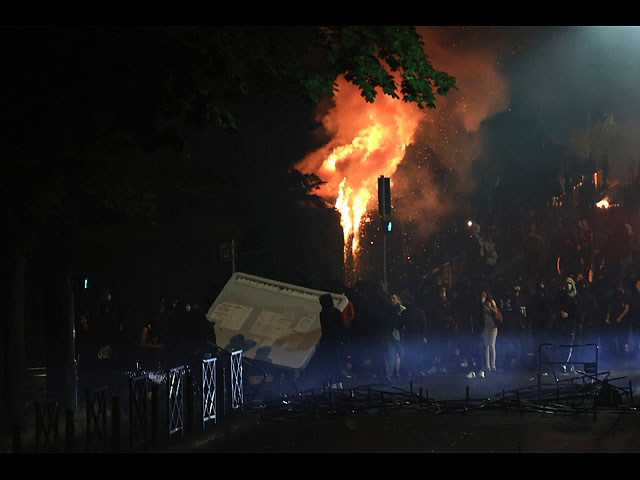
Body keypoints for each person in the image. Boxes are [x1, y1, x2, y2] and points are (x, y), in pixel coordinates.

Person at [399, 291, 428, 379]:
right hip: (417, 337)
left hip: (408, 337)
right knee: (417, 356)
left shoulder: (404, 313)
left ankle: (411, 372)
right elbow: (423, 326)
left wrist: (402, 336)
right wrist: (423, 337)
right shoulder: (420, 312)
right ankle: (418, 372)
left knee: (409, 355)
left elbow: (401, 326)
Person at [317, 293, 345, 383]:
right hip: (336, 339)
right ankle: (337, 378)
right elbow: (341, 326)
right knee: (336, 359)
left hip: (328, 340)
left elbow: (324, 328)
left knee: (329, 360)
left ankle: (330, 378)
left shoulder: (323, 313)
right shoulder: (336, 312)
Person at [139, 299, 168, 370]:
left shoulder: (163, 324)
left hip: (160, 355)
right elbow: (142, 343)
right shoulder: (149, 324)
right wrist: (156, 346)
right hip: (150, 356)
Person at [480, 290, 500, 375]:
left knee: (492, 345)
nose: (483, 296)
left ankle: (493, 365)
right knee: (486, 346)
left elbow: (496, 312)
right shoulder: (481, 304)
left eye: (484, 295)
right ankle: (487, 366)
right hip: (486, 327)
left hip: (493, 327)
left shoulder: (491, 302)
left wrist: (490, 307)